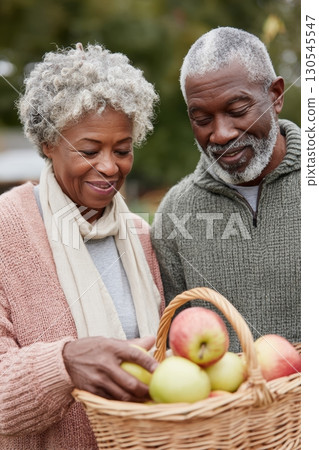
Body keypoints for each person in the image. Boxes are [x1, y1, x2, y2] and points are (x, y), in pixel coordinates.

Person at [0, 43, 165, 449]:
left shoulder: (139, 236)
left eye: (122, 150)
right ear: (46, 144)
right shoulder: (7, 229)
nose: (109, 167)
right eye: (89, 151)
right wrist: (64, 363)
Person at [151, 27, 300, 351]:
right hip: (227, 404)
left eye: (237, 111)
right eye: (202, 118)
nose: (220, 134)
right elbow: (177, 340)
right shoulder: (175, 213)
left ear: (275, 96)